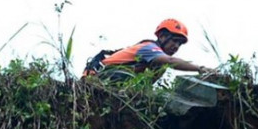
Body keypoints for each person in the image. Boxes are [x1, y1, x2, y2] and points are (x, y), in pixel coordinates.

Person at [83, 19, 213, 82]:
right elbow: (171, 60)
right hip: (99, 79)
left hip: (107, 81)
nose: (176, 46)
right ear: (162, 36)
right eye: (174, 40)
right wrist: (200, 69)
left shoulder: (156, 62)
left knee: (161, 67)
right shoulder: (148, 48)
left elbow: (147, 85)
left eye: (179, 43)